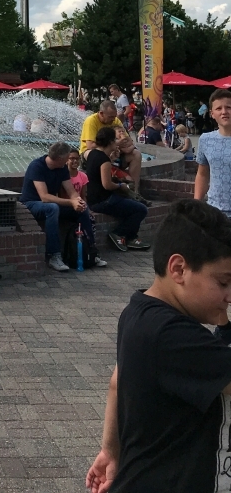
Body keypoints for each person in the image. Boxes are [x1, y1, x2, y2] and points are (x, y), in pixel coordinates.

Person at [86, 200, 231, 493]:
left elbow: (117, 382)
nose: (229, 295)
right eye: (223, 282)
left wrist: (111, 452)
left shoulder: (139, 313)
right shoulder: (172, 336)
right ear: (178, 268)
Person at [19, 141, 105, 272]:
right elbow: (44, 197)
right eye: (67, 158)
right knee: (52, 208)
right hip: (31, 204)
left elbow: (71, 191)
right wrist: (71, 203)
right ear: (60, 158)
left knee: (82, 210)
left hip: (51, 204)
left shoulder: (62, 168)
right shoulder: (37, 166)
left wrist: (78, 201)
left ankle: (91, 251)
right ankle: (54, 255)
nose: (68, 161)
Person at [84, 127, 149, 254]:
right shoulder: (104, 160)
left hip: (94, 199)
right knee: (141, 209)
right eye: (114, 140)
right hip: (103, 201)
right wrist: (121, 186)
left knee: (130, 203)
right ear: (109, 142)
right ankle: (119, 234)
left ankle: (131, 237)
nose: (116, 142)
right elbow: (107, 185)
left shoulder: (92, 153)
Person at [80, 100, 142, 190]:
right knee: (92, 152)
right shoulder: (91, 121)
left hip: (114, 152)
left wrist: (123, 147)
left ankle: (134, 191)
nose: (113, 119)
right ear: (101, 113)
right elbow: (90, 146)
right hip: (94, 154)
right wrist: (115, 144)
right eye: (110, 117)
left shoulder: (115, 120)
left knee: (136, 154)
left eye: (114, 116)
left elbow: (128, 140)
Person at [194, 88, 231, 218]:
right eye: (219, 108)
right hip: (214, 213)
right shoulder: (205, 140)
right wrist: (196, 204)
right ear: (211, 113)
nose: (224, 112)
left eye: (228, 107)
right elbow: (202, 174)